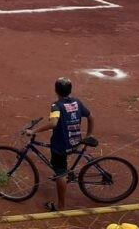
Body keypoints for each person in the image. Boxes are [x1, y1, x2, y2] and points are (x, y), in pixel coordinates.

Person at [23, 78, 93, 212]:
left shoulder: (56, 106)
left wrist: (33, 131)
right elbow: (91, 117)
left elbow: (53, 123)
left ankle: (61, 206)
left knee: (60, 173)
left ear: (56, 90)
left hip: (62, 144)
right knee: (60, 168)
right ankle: (62, 175)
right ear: (70, 90)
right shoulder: (77, 102)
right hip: (75, 141)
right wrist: (88, 135)